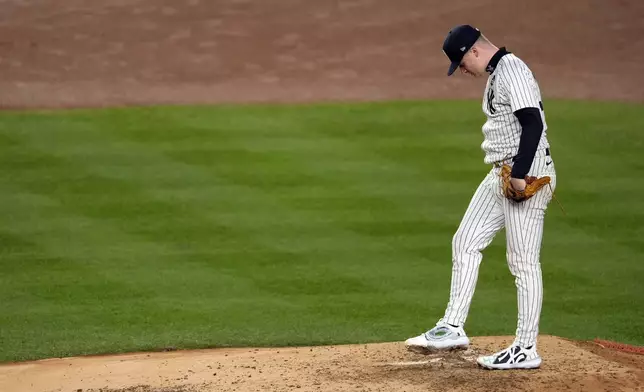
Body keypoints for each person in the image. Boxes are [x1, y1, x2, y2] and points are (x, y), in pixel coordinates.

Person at [404, 24, 557, 370]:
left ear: (473, 50)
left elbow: (532, 123)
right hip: (501, 174)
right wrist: (509, 173)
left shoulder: (513, 70)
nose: (461, 70)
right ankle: (453, 326)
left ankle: (526, 347)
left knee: (522, 262)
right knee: (465, 241)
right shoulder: (496, 73)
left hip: (525, 174)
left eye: (460, 63)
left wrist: (519, 176)